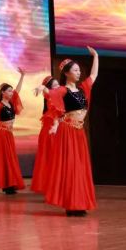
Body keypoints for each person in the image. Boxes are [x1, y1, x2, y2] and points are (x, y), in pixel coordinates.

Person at [43, 47, 99, 216]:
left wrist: (96, 56)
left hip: (79, 132)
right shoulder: (62, 90)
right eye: (75, 70)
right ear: (66, 73)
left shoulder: (82, 89)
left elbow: (93, 75)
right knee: (71, 167)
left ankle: (80, 202)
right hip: (67, 132)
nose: (79, 72)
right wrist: (42, 88)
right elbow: (50, 94)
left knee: (80, 167)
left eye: (79, 70)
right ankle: (71, 204)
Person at [30, 76, 59, 194]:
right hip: (49, 132)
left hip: (56, 131)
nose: (58, 87)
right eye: (55, 85)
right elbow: (46, 90)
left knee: (56, 159)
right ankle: (51, 186)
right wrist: (41, 87)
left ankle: (56, 185)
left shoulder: (59, 97)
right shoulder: (50, 96)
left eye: (58, 84)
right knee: (50, 159)